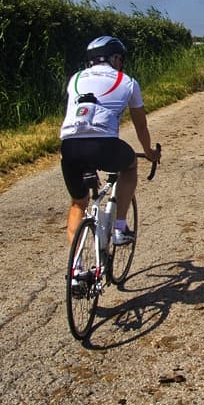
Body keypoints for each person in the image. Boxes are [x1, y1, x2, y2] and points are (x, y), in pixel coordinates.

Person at [59, 35, 160, 249]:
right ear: (115, 58)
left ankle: (76, 270)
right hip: (103, 145)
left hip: (69, 145)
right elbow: (141, 126)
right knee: (130, 165)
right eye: (120, 59)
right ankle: (119, 228)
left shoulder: (75, 78)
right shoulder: (128, 82)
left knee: (79, 202)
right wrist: (149, 152)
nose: (121, 64)